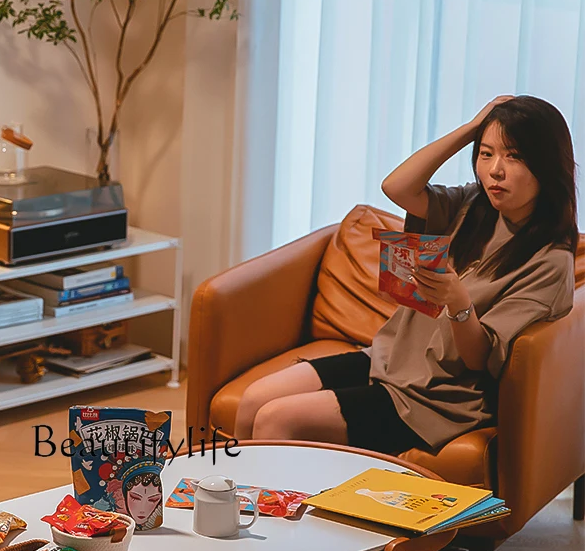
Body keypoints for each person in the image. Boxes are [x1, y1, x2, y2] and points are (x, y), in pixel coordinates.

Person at [234, 96, 578, 455]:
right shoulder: (474, 204)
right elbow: (397, 187)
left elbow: (480, 359)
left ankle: (271, 510)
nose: (495, 170)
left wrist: (458, 302)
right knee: (253, 400)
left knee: (276, 419)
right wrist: (470, 129)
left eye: (515, 156)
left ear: (547, 164)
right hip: (388, 360)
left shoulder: (549, 262)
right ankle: (235, 508)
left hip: (436, 399)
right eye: (486, 153)